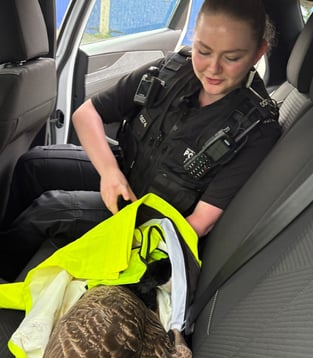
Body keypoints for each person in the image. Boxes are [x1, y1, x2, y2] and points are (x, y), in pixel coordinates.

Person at [0, 0, 281, 281]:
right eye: (203, 51)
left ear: (259, 53)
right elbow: (86, 114)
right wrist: (110, 173)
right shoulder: (173, 70)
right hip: (128, 174)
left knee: (50, 210)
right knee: (32, 165)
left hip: (152, 221)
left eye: (231, 58)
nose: (213, 69)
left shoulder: (256, 128)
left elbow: (199, 223)